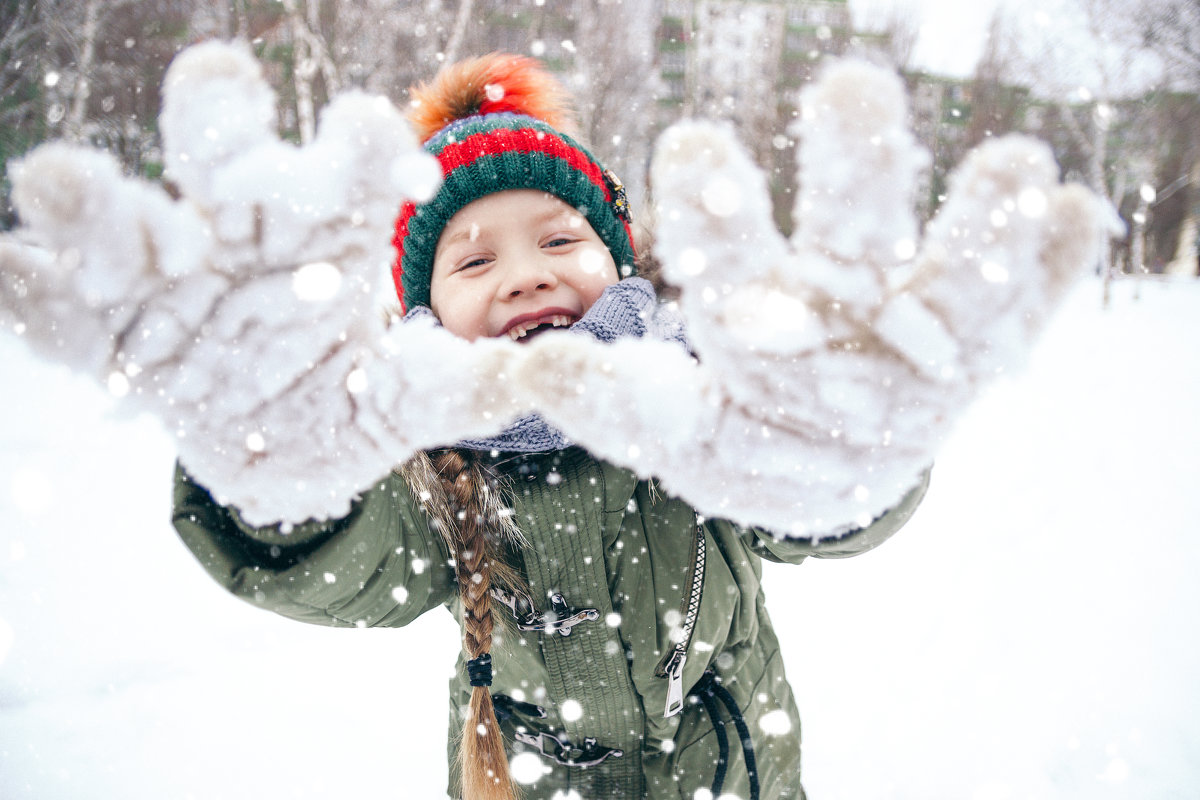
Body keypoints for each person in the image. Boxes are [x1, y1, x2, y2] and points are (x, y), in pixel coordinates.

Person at [171, 53, 928, 800]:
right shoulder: (429, 458)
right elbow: (352, 562)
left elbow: (823, 509)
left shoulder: (697, 399)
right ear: (425, 319)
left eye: (559, 240)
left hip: (729, 775)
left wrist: (842, 443)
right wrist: (276, 471)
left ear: (620, 260)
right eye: (474, 262)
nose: (526, 274)